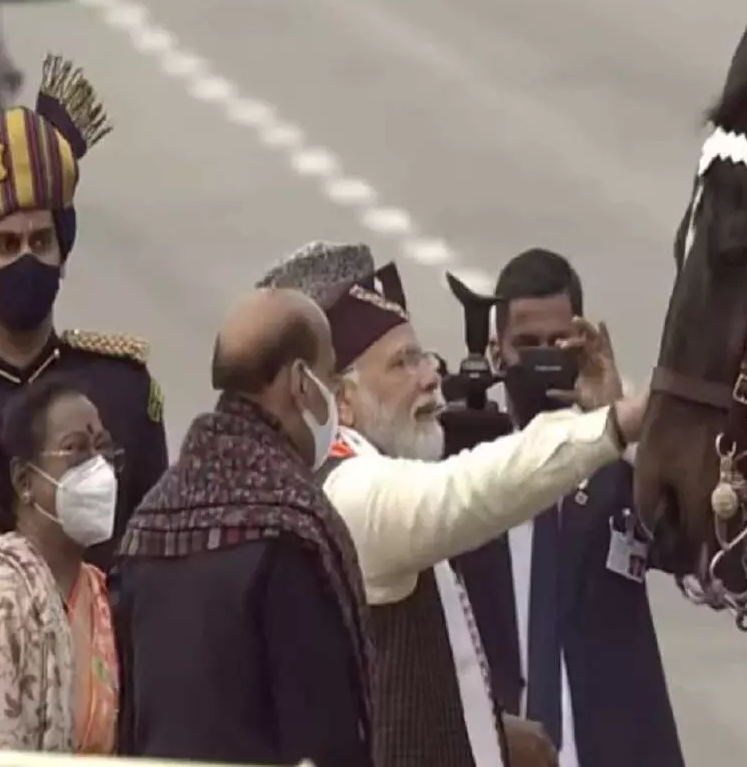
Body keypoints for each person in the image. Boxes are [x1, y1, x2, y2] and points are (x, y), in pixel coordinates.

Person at [259, 241, 646, 767]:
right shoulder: (339, 492)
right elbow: (464, 494)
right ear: (341, 401)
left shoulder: (364, 470)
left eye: (421, 355)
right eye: (403, 363)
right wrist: (613, 424)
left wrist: (488, 730)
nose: (430, 376)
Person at [112, 287, 373, 767]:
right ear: (300, 381)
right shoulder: (292, 528)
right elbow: (323, 733)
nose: (335, 396)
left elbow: (130, 713)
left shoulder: (148, 523)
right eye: (330, 375)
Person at [0, 54, 168, 587]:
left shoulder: (122, 392)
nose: (26, 258)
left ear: (62, 254)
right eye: (5, 244)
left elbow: (157, 570)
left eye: (40, 241)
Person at [456, 248, 684, 767]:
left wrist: (614, 419)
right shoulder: (468, 476)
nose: (541, 359)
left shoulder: (614, 469)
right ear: (497, 355)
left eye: (558, 344)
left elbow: (690, 548)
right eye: (526, 345)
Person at [0, 375, 119, 752]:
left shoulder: (98, 592)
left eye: (102, 449)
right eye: (76, 450)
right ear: (25, 480)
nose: (100, 470)